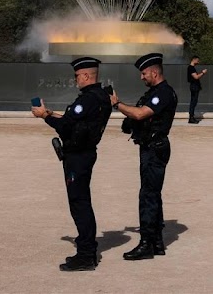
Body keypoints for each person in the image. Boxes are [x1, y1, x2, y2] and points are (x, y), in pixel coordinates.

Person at [31, 57, 112, 271]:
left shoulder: (87, 100)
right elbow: (74, 121)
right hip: (85, 153)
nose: (75, 80)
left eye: (77, 76)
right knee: (81, 201)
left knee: (80, 203)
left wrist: (43, 116)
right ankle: (86, 248)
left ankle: (86, 255)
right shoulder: (101, 96)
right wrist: (49, 113)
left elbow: (67, 125)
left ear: (85, 75)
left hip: (78, 156)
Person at [110, 53, 178, 260]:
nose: (142, 77)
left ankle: (147, 244)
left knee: (147, 195)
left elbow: (140, 114)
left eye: (144, 73)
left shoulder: (163, 93)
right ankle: (156, 241)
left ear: (154, 72)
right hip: (150, 147)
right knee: (152, 194)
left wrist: (117, 104)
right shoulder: (154, 92)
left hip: (154, 148)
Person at [186, 56, 206, 123]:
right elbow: (196, 77)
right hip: (194, 86)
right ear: (193, 60)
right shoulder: (191, 68)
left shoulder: (192, 68)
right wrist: (203, 73)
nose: (198, 62)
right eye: (197, 60)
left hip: (194, 86)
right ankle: (191, 117)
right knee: (193, 102)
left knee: (194, 101)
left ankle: (192, 116)